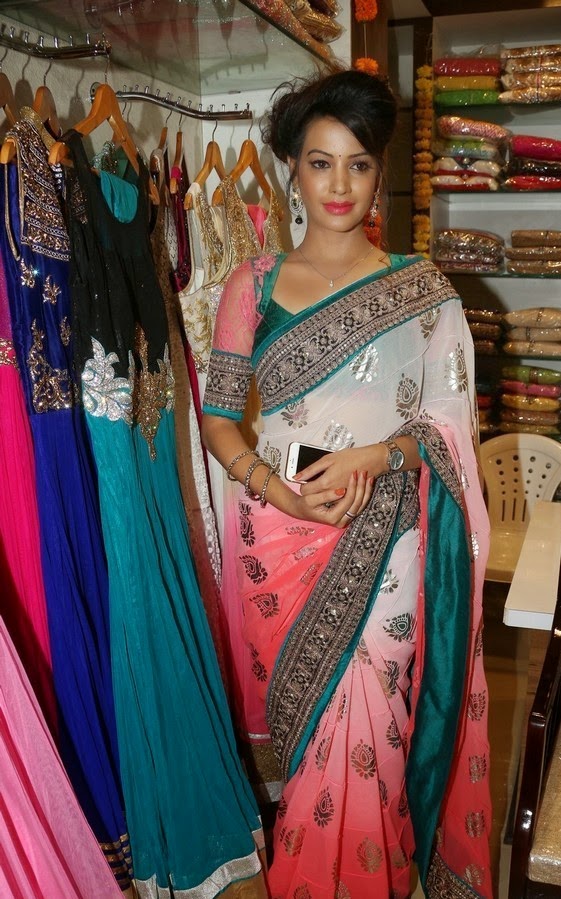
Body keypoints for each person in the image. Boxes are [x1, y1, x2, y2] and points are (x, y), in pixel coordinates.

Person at [201, 67, 492, 899]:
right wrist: (278, 489)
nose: (339, 184)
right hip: (278, 535)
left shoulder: (422, 289)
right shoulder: (251, 285)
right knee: (307, 740)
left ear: (378, 172)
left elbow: (448, 426)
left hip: (387, 532)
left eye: (358, 164)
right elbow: (219, 420)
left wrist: (377, 457)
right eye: (320, 162)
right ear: (291, 168)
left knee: (373, 726)